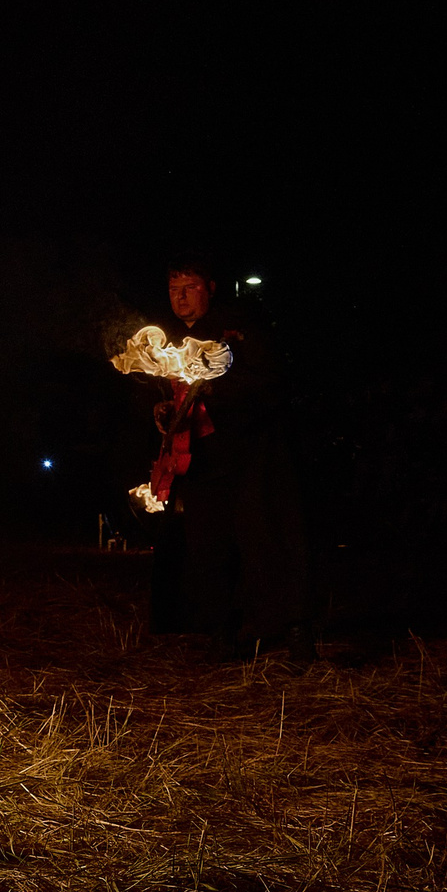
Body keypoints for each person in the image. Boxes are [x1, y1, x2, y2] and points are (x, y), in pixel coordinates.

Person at [150, 257, 313, 662]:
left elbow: (270, 383)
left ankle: (292, 629)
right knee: (207, 546)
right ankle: (221, 633)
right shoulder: (165, 340)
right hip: (201, 461)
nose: (181, 297)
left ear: (210, 288)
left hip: (252, 456)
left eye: (190, 287)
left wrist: (214, 392)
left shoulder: (239, 328)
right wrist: (165, 410)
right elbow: (167, 394)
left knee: (265, 540)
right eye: (173, 289)